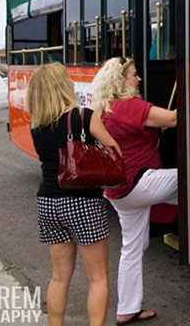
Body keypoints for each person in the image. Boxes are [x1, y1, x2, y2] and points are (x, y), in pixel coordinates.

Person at [27, 63, 121, 326]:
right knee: (98, 277)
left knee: (59, 276)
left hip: (47, 202)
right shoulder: (83, 116)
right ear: (63, 86)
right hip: (82, 202)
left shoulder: (37, 125)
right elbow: (115, 153)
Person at [92, 57, 177, 326]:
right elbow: (174, 119)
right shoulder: (128, 106)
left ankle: (127, 309)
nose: (138, 79)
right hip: (140, 183)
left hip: (119, 192)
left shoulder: (105, 108)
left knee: (132, 247)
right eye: (133, 75)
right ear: (120, 81)